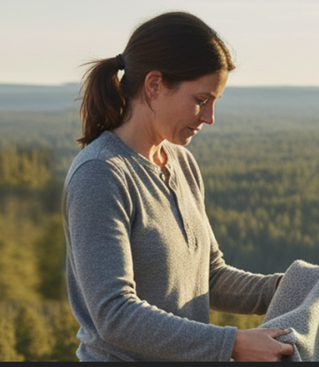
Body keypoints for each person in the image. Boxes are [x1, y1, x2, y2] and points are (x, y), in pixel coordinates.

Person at [62, 11, 295, 362]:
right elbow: (113, 314)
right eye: (201, 100)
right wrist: (232, 344)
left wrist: (286, 288)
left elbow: (210, 277)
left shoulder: (181, 163)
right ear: (154, 85)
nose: (209, 117)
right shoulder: (101, 174)